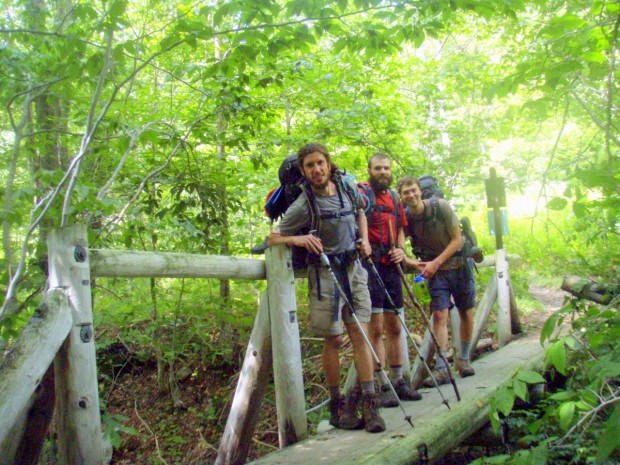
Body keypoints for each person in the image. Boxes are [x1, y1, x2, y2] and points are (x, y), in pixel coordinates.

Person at [268, 143, 386, 433]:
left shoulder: (346, 189)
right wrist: (297, 240)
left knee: (360, 333)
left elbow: (360, 211)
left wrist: (364, 239)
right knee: (332, 340)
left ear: (328, 163)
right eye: (309, 166)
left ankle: (371, 405)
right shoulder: (304, 203)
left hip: (354, 270)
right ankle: (338, 406)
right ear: (304, 171)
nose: (316, 169)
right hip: (325, 275)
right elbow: (273, 237)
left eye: (320, 163)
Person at [397, 176, 476, 385]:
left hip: (459, 266)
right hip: (436, 274)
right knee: (440, 316)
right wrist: (410, 261)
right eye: (406, 193)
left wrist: (436, 262)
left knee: (465, 312)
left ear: (420, 191)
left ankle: (464, 360)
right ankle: (443, 369)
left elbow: (457, 240)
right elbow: (399, 245)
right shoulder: (406, 218)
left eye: (414, 190)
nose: (411, 195)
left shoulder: (441, 207)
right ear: (402, 196)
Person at [359, 153, 422, 406]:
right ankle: (382, 384)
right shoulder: (362, 194)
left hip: (391, 267)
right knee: (375, 329)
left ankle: (398, 381)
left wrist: (400, 249)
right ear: (369, 170)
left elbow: (401, 228)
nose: (382, 172)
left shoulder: (395, 199)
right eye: (378, 168)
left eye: (386, 168)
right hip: (370, 267)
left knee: (395, 326)